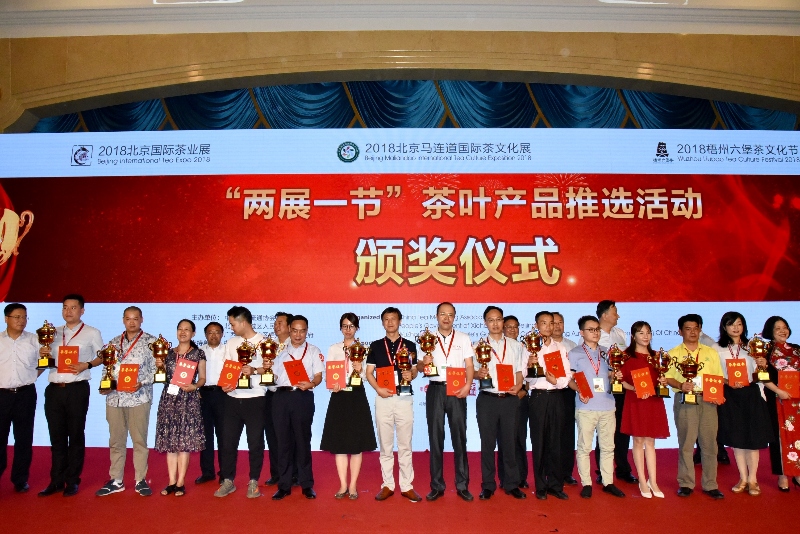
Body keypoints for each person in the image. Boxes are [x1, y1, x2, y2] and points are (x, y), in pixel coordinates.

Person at [38, 294, 103, 497]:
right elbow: (45, 360)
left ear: (82, 310)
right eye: (65, 307)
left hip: (77, 389)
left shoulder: (92, 332)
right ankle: (56, 481)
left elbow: (102, 356)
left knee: (75, 435)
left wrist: (87, 364)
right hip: (54, 389)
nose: (68, 311)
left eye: (73, 308)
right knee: (56, 437)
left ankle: (72, 480)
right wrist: (43, 354)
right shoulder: (52, 333)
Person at [96, 306, 157, 497]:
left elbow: (158, 371)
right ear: (123, 320)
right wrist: (104, 385)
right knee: (116, 441)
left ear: (142, 319)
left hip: (139, 398)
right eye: (128, 319)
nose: (132, 322)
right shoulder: (113, 343)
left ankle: (140, 480)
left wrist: (142, 382)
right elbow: (107, 369)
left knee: (139, 440)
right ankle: (116, 480)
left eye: (135, 318)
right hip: (114, 399)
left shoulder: (152, 342)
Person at [418, 302, 474, 502]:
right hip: (435, 389)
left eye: (450, 315)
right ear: (436, 316)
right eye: (442, 314)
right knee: (435, 438)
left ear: (454, 317)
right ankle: (437, 485)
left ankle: (462, 485)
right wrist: (423, 363)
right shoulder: (427, 338)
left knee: (460, 438)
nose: (446, 318)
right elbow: (419, 366)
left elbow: (469, 365)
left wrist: (468, 385)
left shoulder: (463, 338)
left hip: (457, 389)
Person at [665, 313, 725, 499]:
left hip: (708, 401)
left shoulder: (710, 352)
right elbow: (667, 377)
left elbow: (717, 377)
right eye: (688, 329)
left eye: (696, 328)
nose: (692, 332)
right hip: (685, 401)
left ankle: (710, 484)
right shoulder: (673, 353)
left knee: (710, 444)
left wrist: (717, 395)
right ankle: (686, 483)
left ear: (700, 330)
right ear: (680, 331)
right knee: (686, 444)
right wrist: (680, 385)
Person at [320, 313, 377, 499]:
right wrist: (333, 386)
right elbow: (329, 373)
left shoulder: (364, 349)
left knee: (356, 444)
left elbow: (367, 376)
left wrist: (360, 370)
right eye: (345, 326)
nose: (348, 329)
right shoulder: (333, 348)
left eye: (351, 326)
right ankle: (343, 485)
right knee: (340, 444)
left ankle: (353, 486)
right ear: (340, 328)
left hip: (357, 397)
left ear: (357, 328)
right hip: (339, 397)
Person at [366, 307, 421, 502]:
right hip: (383, 398)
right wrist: (378, 389)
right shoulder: (375, 346)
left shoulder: (410, 345)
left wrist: (411, 374)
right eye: (386, 319)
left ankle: (407, 486)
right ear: (382, 323)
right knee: (386, 444)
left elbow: (415, 370)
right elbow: (369, 373)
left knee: (405, 444)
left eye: (393, 319)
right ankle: (388, 484)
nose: (390, 322)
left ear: (400, 321)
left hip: (404, 398)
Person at [714, 312, 771, 496]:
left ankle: (753, 479)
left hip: (751, 394)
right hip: (730, 396)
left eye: (739, 324)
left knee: (753, 439)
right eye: (731, 324)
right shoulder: (716, 348)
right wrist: (727, 381)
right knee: (737, 438)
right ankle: (743, 478)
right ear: (724, 327)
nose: (736, 328)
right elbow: (714, 374)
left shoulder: (752, 346)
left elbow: (758, 375)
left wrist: (762, 364)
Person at [568, 315, 625, 499]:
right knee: (584, 447)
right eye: (591, 330)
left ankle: (608, 482)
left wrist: (616, 376)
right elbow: (569, 379)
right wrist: (579, 391)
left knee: (608, 446)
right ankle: (586, 483)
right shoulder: (575, 353)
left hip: (608, 404)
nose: (595, 333)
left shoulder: (607, 352)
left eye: (597, 329)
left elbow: (610, 375)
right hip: (586, 406)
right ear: (581, 332)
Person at [268, 314, 324, 500]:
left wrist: (311, 384)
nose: (298, 335)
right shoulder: (279, 351)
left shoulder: (313, 351)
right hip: (281, 398)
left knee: (302, 441)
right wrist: (267, 369)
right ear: (289, 330)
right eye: (295, 330)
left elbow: (318, 376)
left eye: (302, 331)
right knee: (283, 443)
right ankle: (284, 485)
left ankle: (306, 484)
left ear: (307, 331)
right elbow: (273, 376)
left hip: (302, 397)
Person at [474, 306, 526, 500]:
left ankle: (511, 483)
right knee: (487, 444)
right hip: (487, 400)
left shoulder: (515, 345)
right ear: (485, 322)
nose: (495, 324)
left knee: (509, 443)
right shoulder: (478, 346)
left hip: (509, 399)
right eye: (491, 320)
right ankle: (488, 485)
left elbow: (519, 371)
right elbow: (472, 372)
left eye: (498, 319)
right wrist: (478, 374)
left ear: (503, 321)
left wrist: (519, 385)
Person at [214, 306, 266, 499]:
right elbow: (228, 368)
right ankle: (228, 480)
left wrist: (254, 370)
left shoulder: (264, 342)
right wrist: (225, 384)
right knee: (228, 442)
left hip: (256, 398)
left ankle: (253, 481)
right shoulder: (231, 342)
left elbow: (271, 369)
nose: (231, 327)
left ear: (243, 322)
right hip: (232, 399)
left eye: (232, 324)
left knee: (255, 443)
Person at [154, 319, 206, 497]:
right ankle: (171, 481)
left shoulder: (198, 353)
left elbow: (202, 378)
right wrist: (159, 367)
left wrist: (195, 386)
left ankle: (181, 482)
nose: (183, 332)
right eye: (180, 329)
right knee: (170, 443)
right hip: (169, 399)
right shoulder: (168, 353)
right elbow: (163, 376)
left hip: (188, 399)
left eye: (187, 329)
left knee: (184, 442)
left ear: (193, 333)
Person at [619, 321, 670, 499]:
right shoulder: (626, 356)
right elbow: (620, 381)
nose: (645, 336)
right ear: (633, 336)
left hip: (653, 401)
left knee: (651, 441)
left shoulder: (657, 356)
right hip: (635, 401)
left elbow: (661, 378)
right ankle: (642, 479)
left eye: (648, 332)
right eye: (641, 333)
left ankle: (653, 481)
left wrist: (663, 381)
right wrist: (634, 388)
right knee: (638, 440)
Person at [526, 311, 571, 500]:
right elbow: (525, 379)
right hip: (538, 398)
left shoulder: (559, 348)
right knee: (539, 442)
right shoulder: (528, 347)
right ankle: (541, 486)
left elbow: (567, 376)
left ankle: (555, 485)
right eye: (544, 323)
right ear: (537, 325)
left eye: (551, 323)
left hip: (556, 396)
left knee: (556, 442)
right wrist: (530, 366)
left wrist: (556, 381)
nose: (548, 326)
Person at [0, 303, 42, 493]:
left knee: (24, 438)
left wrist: (31, 377)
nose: (21, 321)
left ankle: (20, 479)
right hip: (1, 395)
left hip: (25, 394)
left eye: (24, 317)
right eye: (17, 317)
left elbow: (45, 362)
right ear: (6, 319)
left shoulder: (35, 340)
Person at [594, 299, 636, 485]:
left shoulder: (619, 333)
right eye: (614, 312)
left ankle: (623, 468)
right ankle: (602, 470)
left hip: (622, 388)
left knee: (622, 429)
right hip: (603, 389)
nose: (618, 316)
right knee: (604, 430)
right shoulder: (593, 333)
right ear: (604, 315)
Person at [760, 315, 800, 492]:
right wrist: (778, 391)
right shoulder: (764, 351)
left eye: (785, 327)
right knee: (779, 437)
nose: (782, 331)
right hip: (777, 399)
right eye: (778, 328)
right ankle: (782, 474)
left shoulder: (797, 349)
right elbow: (762, 376)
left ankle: (798, 473)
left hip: (797, 402)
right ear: (770, 331)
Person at [265, 311, 296, 487]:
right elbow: (264, 368)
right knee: (272, 435)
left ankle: (294, 474)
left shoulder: (296, 346)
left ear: (290, 327)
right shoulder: (269, 346)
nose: (276, 326)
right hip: (271, 394)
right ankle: (276, 473)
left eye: (280, 323)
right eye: (275, 323)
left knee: (292, 436)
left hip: (290, 395)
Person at [498, 314, 530, 489]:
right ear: (503, 328)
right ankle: (505, 477)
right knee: (504, 440)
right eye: (508, 326)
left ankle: (521, 477)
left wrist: (523, 390)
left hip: (520, 399)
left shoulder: (526, 348)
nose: (512, 329)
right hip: (503, 400)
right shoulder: (496, 348)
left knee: (519, 439)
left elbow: (531, 374)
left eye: (515, 326)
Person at [196, 321, 226, 485]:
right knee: (205, 435)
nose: (213, 335)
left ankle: (225, 472)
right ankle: (207, 472)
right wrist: (195, 389)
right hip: (204, 395)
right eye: (210, 332)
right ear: (205, 334)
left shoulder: (228, 351)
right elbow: (190, 373)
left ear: (222, 334)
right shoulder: (199, 352)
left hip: (223, 395)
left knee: (223, 435)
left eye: (217, 332)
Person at [553, 311, 578, 486]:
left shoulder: (572, 346)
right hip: (551, 391)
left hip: (568, 392)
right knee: (551, 433)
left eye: (560, 322)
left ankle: (567, 472)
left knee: (568, 433)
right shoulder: (542, 345)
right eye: (553, 323)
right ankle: (551, 471)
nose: (557, 326)